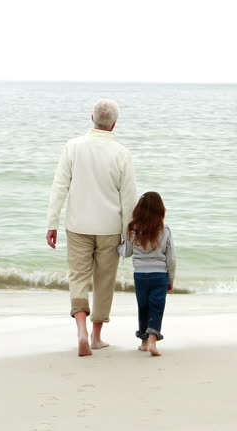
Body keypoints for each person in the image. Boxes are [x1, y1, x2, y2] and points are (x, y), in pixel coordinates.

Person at [46, 99, 136, 357]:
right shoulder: (122, 153)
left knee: (78, 276)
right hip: (109, 227)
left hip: (78, 224)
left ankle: (81, 329)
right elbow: (128, 198)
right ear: (114, 123)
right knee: (104, 281)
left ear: (92, 118)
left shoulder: (73, 147)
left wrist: (52, 223)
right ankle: (96, 337)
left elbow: (59, 186)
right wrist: (128, 231)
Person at [118, 192, 176, 356]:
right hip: (159, 276)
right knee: (156, 308)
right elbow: (171, 258)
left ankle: (144, 342)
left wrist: (116, 246)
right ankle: (152, 340)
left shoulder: (133, 229)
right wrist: (170, 279)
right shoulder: (165, 231)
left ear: (139, 210)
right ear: (160, 210)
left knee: (143, 307)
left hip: (140, 276)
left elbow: (126, 252)